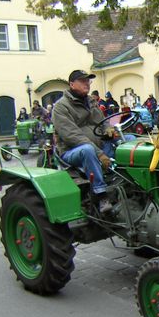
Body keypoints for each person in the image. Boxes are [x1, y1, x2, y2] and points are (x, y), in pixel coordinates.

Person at [52, 69, 113, 213]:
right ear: (72, 84)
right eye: (82, 81)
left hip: (98, 145)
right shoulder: (61, 107)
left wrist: (108, 129)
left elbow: (103, 121)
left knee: (128, 140)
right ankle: (101, 194)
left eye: (88, 81)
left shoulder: (91, 101)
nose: (87, 84)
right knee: (87, 150)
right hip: (71, 151)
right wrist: (99, 153)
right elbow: (72, 136)